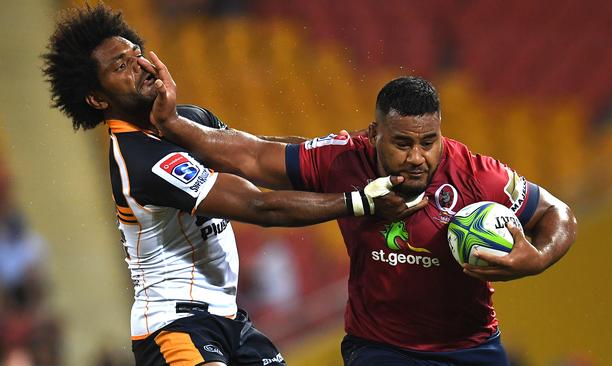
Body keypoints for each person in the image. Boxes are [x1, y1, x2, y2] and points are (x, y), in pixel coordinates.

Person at [41, 4, 426, 366]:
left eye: (137, 52)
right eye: (121, 65)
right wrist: (359, 201)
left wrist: (345, 149)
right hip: (173, 326)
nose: (140, 65)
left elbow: (259, 152)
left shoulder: (187, 119)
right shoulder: (139, 160)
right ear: (96, 97)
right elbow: (261, 208)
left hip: (229, 317)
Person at [147, 62, 578, 363]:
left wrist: (537, 257)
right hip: (380, 348)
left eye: (428, 142)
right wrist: (173, 124)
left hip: (472, 346)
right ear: (374, 135)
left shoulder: (476, 175)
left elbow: (558, 214)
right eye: (402, 143)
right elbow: (256, 158)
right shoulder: (342, 160)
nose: (417, 157)